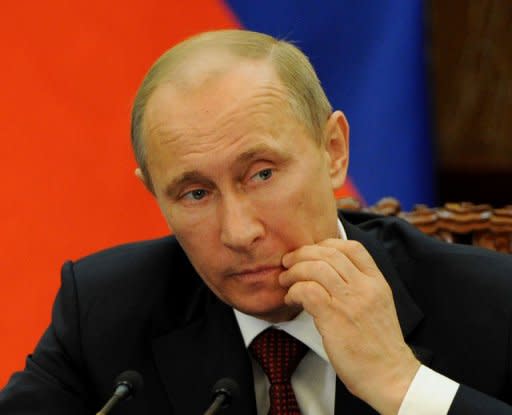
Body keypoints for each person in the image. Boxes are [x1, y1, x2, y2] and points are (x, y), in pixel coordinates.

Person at [1, 29, 511, 415]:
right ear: (154, 193)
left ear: (333, 151)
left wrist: (403, 384)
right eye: (195, 193)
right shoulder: (105, 311)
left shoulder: (490, 303)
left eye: (262, 174)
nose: (239, 232)